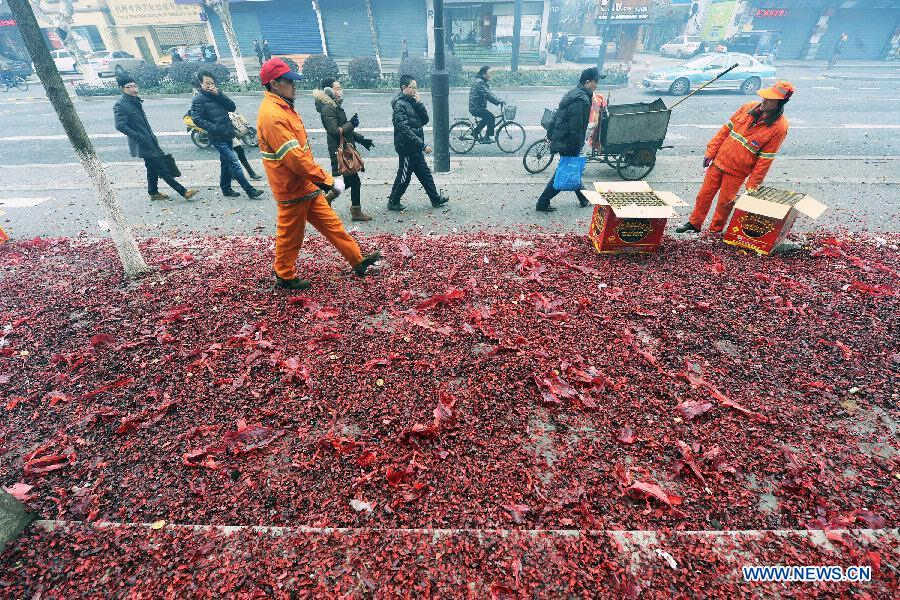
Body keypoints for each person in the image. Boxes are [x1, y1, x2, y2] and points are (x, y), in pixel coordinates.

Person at [257, 58, 380, 290]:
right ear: (274, 84)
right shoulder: (272, 116)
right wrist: (327, 180)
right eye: (289, 82)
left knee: (333, 225)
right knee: (290, 235)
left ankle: (357, 260)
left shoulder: (283, 107)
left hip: (305, 186)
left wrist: (319, 181)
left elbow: (299, 155)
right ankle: (284, 275)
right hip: (291, 188)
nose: (294, 87)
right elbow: (294, 159)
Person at [676, 81, 794, 235]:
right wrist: (711, 151)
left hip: (737, 172)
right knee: (703, 196)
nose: (764, 100)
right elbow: (725, 130)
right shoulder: (748, 107)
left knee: (725, 204)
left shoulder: (779, 127)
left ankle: (714, 232)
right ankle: (694, 223)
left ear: (780, 103)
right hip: (718, 162)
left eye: (770, 99)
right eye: (765, 97)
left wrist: (752, 185)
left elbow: (765, 159)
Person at [113, 74, 198, 202]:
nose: (133, 88)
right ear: (122, 88)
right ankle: (183, 192)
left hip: (149, 140)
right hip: (142, 143)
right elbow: (120, 125)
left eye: (134, 85)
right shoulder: (121, 104)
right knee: (161, 168)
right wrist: (139, 137)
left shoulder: (134, 100)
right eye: (128, 87)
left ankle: (153, 192)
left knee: (152, 168)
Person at [534, 67, 602, 212]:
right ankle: (542, 202)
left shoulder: (574, 93)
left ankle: (583, 198)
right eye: (595, 82)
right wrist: (578, 145)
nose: (597, 85)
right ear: (587, 82)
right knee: (565, 173)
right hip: (568, 142)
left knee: (571, 170)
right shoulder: (581, 100)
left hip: (562, 138)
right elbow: (576, 127)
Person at [190, 70, 264, 199]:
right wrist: (214, 128)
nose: (210, 85)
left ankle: (226, 188)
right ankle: (249, 190)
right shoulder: (198, 99)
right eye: (207, 83)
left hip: (228, 133)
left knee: (225, 163)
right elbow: (196, 118)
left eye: (212, 83)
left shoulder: (218, 94)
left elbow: (232, 107)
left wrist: (219, 95)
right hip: (217, 137)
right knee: (234, 162)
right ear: (201, 84)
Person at [313, 77, 375, 221]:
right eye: (337, 88)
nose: (340, 91)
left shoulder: (333, 105)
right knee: (355, 182)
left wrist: (362, 140)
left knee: (350, 181)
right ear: (328, 91)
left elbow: (345, 130)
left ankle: (326, 200)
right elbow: (335, 131)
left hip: (344, 147)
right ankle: (355, 211)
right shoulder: (328, 108)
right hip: (339, 150)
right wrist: (351, 123)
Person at [387, 75, 450, 212]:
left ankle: (435, 199)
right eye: (412, 87)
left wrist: (419, 103)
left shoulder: (411, 102)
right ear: (404, 88)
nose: (415, 90)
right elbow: (404, 129)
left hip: (414, 146)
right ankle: (393, 201)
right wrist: (422, 145)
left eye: (416, 87)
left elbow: (424, 120)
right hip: (406, 147)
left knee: (424, 174)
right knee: (404, 176)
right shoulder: (399, 105)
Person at [469, 65, 503, 144]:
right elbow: (488, 95)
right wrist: (498, 101)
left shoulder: (480, 81)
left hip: (476, 106)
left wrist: (498, 100)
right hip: (476, 107)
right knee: (491, 117)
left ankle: (475, 132)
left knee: (486, 118)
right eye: (489, 73)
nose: (490, 75)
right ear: (484, 74)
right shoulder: (480, 82)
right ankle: (487, 137)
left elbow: (489, 94)